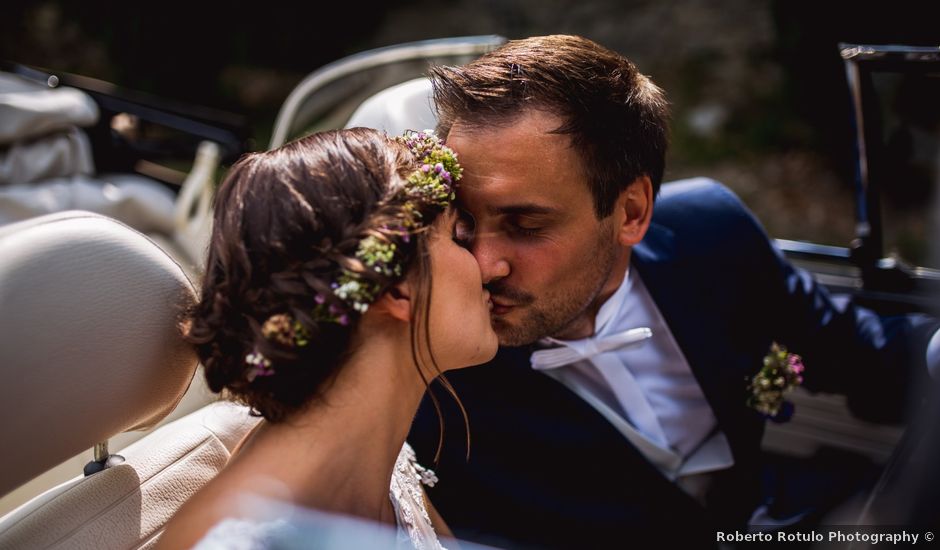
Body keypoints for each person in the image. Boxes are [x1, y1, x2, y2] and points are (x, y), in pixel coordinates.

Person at [407, 35, 940, 548]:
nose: (481, 264)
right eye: (464, 224)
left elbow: (852, 349)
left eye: (524, 224)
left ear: (632, 212)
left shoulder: (712, 235)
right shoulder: (432, 375)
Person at [157, 128, 498, 550]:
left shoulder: (379, 460)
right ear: (396, 288)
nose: (490, 264)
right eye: (460, 236)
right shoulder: (245, 541)